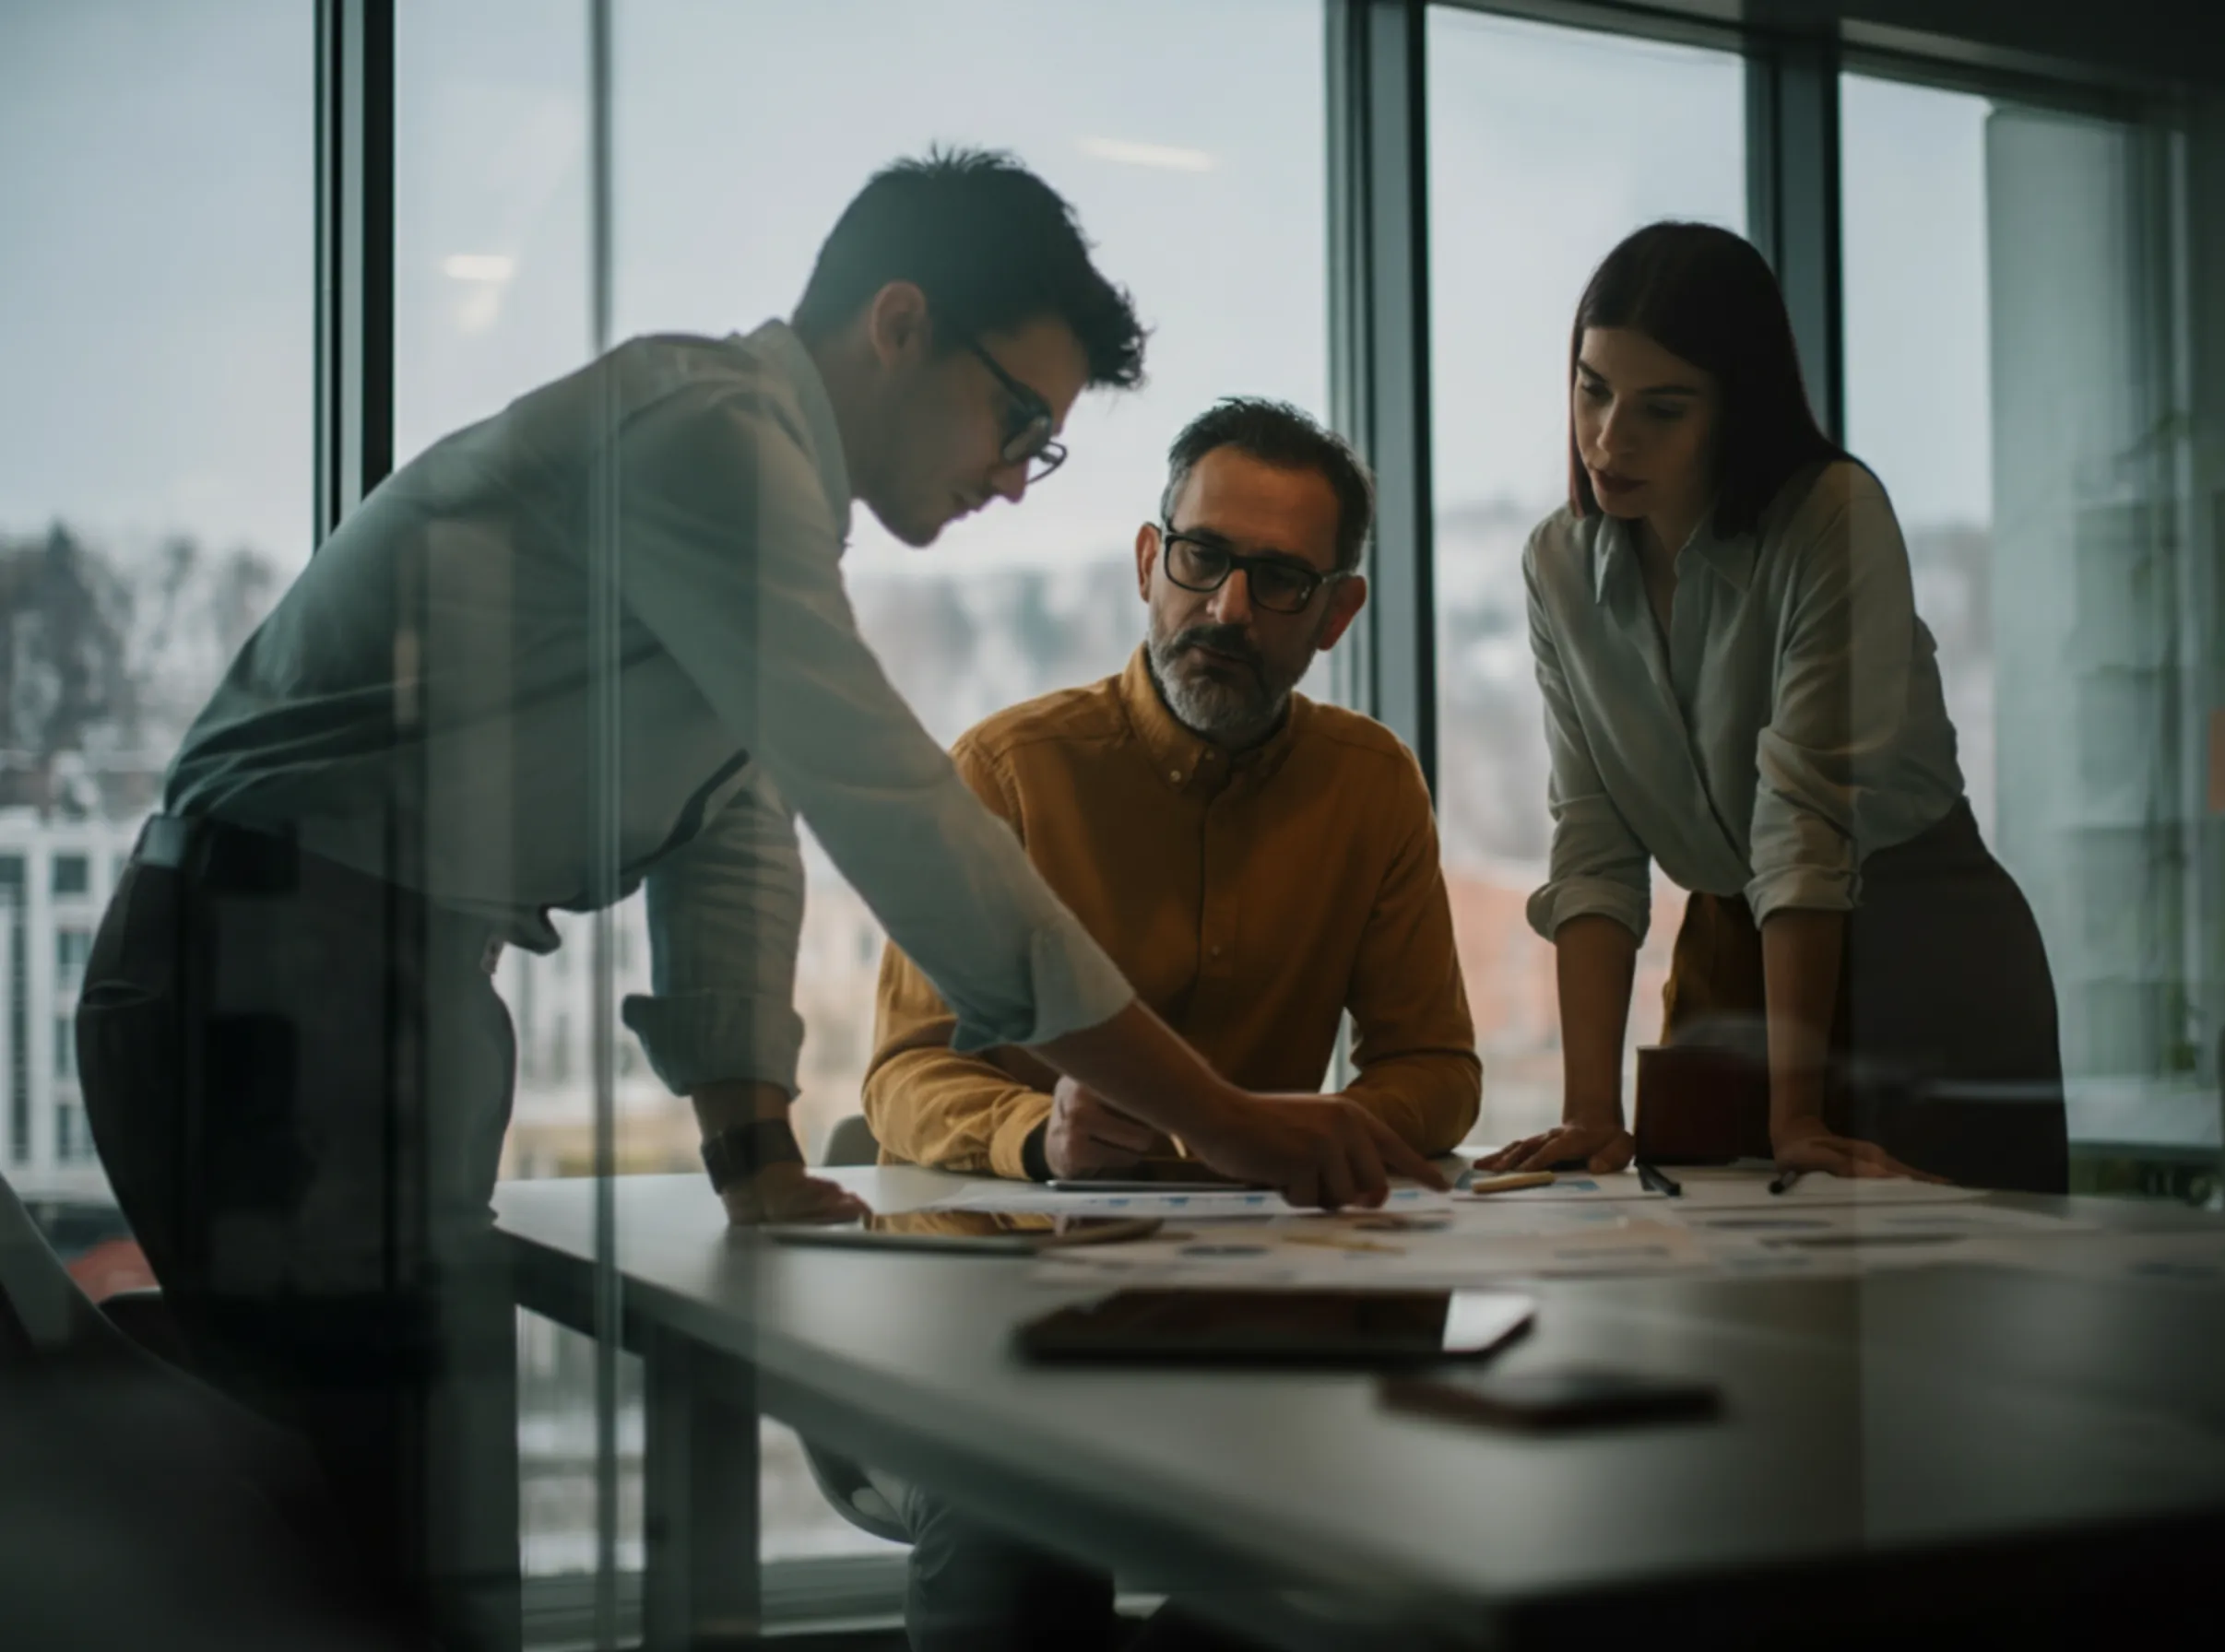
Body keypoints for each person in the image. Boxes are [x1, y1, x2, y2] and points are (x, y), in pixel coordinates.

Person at [74, 149, 1439, 1652]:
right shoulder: (710, 438)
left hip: (362, 985)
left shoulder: (756, 490)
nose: (1013, 475)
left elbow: (733, 827)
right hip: (274, 972)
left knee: (412, 1539)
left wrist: (755, 1153)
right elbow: (894, 815)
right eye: (1018, 421)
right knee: (384, 1565)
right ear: (900, 326)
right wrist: (1226, 1118)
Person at [862, 395, 1478, 1651]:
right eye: (1202, 559)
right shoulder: (1009, 770)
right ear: (1150, 561)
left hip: (1257, 1308)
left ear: (1337, 614)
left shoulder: (1371, 785)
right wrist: (1040, 1134)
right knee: (1016, 1527)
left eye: (1281, 581)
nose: (1228, 610)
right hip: (1001, 1315)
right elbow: (901, 1074)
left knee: (1380, 1541)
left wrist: (1317, 1127)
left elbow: (1435, 1067)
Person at [1481, 220, 2067, 1195]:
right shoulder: (1558, 563)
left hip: (1917, 949)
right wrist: (1590, 1111)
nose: (1609, 438)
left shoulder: (1831, 514)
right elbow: (1592, 839)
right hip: (1728, 957)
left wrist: (1795, 1115)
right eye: (1592, 389)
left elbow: (1803, 818)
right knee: (1706, 1264)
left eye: (1663, 409)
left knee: (1944, 1275)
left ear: (1736, 410)